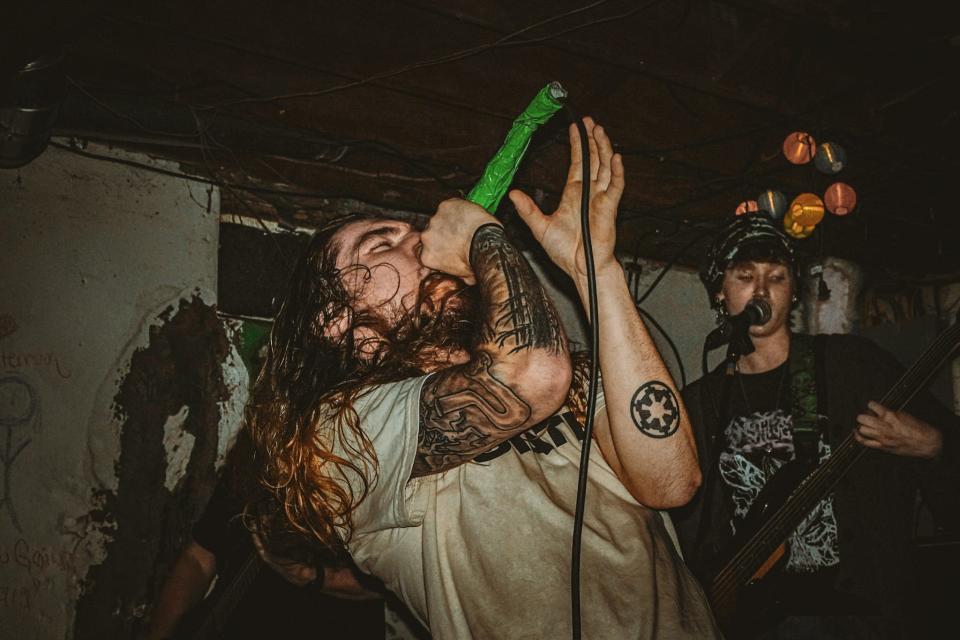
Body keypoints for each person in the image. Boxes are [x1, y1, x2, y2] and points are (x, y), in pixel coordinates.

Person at [246, 118, 721, 639]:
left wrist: (594, 268)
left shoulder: (573, 367)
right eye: (382, 244)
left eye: (416, 233)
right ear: (334, 322)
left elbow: (672, 482)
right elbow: (531, 375)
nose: (421, 243)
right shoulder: (341, 432)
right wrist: (480, 235)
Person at [673, 213, 960, 638]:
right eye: (745, 276)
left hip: (860, 613)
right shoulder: (699, 402)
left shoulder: (853, 365)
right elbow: (691, 526)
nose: (761, 290)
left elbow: (945, 443)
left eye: (777, 276)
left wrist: (933, 445)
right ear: (720, 291)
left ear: (793, 292)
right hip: (761, 621)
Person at [143, 432, 386, 640]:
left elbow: (392, 584)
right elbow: (200, 555)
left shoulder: (379, 453)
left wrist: (312, 575)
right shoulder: (266, 438)